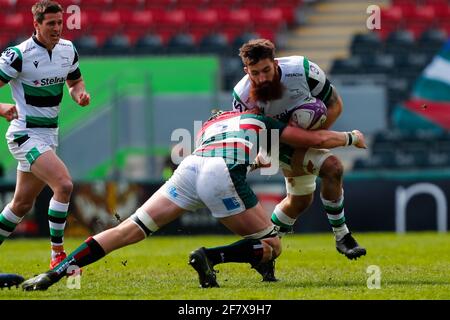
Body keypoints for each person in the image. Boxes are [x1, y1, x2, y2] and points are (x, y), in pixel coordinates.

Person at [21, 109, 367, 291]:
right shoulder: (260, 120)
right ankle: (209, 257)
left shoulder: (209, 126)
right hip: (220, 172)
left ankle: (53, 274)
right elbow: (312, 137)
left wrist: (255, 159)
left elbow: (244, 150)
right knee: (273, 242)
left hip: (189, 168)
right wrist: (350, 137)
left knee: (127, 231)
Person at [232, 39, 367, 274]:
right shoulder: (242, 98)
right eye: (255, 73)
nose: (262, 78)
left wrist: (312, 135)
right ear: (246, 71)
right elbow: (251, 137)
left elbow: (334, 104)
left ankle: (264, 251)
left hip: (304, 134)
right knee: (332, 167)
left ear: (275, 63)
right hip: (274, 143)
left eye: (266, 70)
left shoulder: (303, 71)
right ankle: (342, 236)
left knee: (300, 201)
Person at [0, 1, 90, 268]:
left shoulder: (67, 50)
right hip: (24, 134)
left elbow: (75, 82)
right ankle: (57, 256)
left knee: (20, 204)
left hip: (49, 136)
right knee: (63, 184)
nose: (57, 28)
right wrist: (2, 107)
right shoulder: (18, 55)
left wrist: (79, 95)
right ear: (36, 25)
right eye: (50, 23)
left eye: (59, 23)